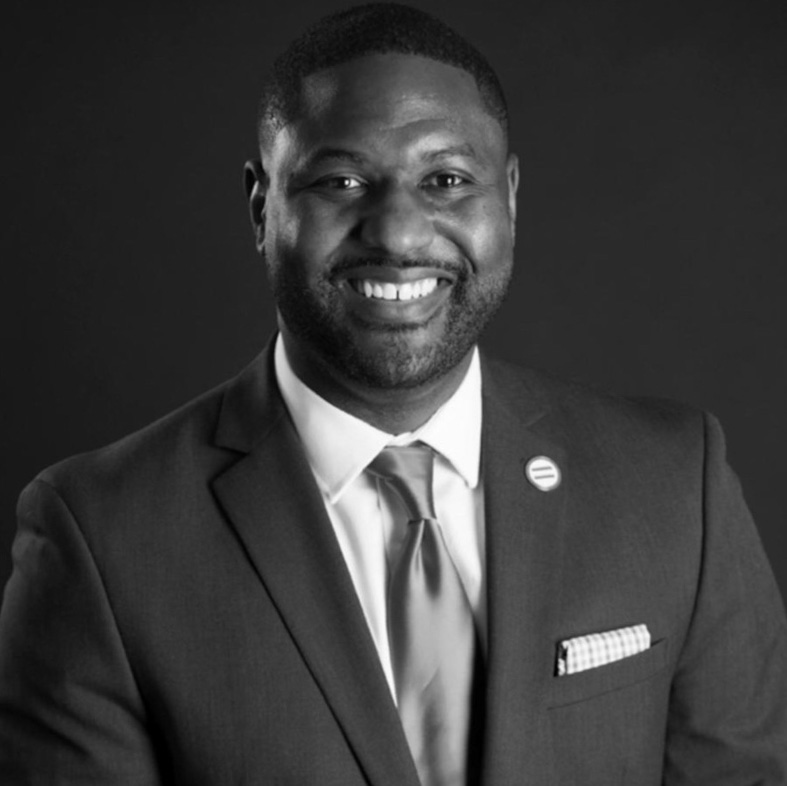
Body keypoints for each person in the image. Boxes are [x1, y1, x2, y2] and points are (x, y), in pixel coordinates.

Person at [1, 3, 786, 784]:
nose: (399, 234)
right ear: (260, 209)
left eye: (445, 180)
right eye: (340, 181)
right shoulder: (99, 537)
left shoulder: (676, 486)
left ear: (507, 198)